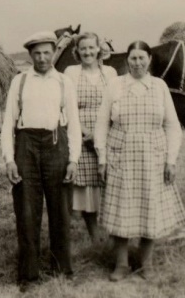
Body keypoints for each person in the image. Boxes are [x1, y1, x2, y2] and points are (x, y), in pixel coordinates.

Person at [94, 40, 185, 281]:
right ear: (127, 60)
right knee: (122, 209)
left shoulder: (159, 86)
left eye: (141, 58)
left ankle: (147, 264)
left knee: (150, 208)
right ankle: (122, 264)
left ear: (149, 60)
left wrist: (171, 160)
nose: (137, 63)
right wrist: (102, 158)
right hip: (120, 154)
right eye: (133, 59)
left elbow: (172, 125)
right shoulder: (115, 85)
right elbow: (102, 123)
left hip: (152, 156)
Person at [1, 31, 81, 288]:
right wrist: (9, 160)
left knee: (60, 209)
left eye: (47, 52)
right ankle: (28, 275)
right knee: (26, 211)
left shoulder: (63, 81)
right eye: (37, 53)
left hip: (57, 144)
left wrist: (74, 159)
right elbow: (7, 124)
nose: (43, 58)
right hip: (26, 145)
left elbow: (75, 123)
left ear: (53, 53)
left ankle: (62, 269)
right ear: (30, 55)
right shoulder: (20, 81)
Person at [63, 32, 117, 242]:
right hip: (81, 134)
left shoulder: (110, 72)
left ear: (99, 49)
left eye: (91, 48)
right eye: (83, 48)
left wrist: (101, 134)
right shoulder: (71, 72)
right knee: (87, 185)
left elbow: (116, 104)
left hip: (108, 133)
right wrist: (85, 132)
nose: (87, 52)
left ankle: (113, 232)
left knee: (110, 182)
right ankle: (95, 235)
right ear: (77, 51)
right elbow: (67, 106)